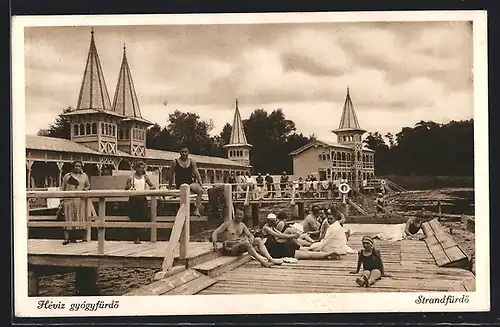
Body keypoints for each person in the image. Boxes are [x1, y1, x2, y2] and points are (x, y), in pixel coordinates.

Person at [212, 209, 283, 267]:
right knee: (246, 244)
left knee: (258, 240)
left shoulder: (242, 225)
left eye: (240, 215)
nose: (239, 216)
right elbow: (215, 233)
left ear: (243, 216)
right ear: (234, 215)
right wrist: (215, 244)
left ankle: (270, 259)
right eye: (237, 214)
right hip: (230, 248)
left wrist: (251, 239)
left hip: (239, 246)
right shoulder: (227, 224)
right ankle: (262, 262)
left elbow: (250, 235)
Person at [262, 213, 340, 260]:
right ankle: (326, 254)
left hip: (279, 247)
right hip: (278, 249)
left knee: (308, 253)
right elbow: (279, 235)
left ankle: (325, 254)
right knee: (308, 254)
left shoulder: (270, 227)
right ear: (269, 221)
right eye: (273, 221)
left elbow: (280, 234)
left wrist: (293, 235)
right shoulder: (266, 228)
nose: (275, 222)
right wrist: (294, 235)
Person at [167, 146, 205, 216]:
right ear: (179, 152)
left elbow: (197, 173)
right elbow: (170, 175)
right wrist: (170, 185)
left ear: (188, 152)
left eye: (185, 152)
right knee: (184, 191)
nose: (184, 153)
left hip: (190, 182)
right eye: (182, 152)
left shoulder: (192, 162)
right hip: (180, 183)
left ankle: (196, 210)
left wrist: (201, 184)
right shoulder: (175, 162)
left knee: (200, 191)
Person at [60, 160, 91, 245]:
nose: (77, 168)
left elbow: (88, 185)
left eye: (79, 166)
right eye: (76, 166)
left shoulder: (84, 176)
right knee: (68, 218)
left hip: (80, 200)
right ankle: (67, 238)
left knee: (81, 217)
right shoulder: (67, 176)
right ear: (73, 167)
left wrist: (86, 189)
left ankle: (84, 237)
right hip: (69, 200)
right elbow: (63, 188)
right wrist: (62, 199)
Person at [125, 161, 156, 244]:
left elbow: (152, 186)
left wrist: (150, 190)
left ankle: (144, 235)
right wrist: (129, 186)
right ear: (136, 168)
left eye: (142, 168)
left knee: (145, 216)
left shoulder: (145, 177)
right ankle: (136, 238)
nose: (141, 169)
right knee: (134, 218)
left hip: (142, 198)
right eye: (139, 167)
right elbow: (126, 188)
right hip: (134, 199)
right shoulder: (131, 177)